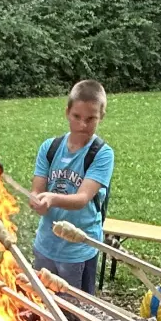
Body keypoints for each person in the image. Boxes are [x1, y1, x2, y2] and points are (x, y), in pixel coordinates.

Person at [29, 80, 114, 295]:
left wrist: (52, 198)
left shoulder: (101, 153)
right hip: (46, 244)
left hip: (79, 248)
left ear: (101, 116)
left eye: (90, 118)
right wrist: (36, 200)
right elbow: (37, 189)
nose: (83, 125)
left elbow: (82, 198)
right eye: (77, 117)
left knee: (77, 310)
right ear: (67, 112)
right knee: (42, 304)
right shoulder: (50, 147)